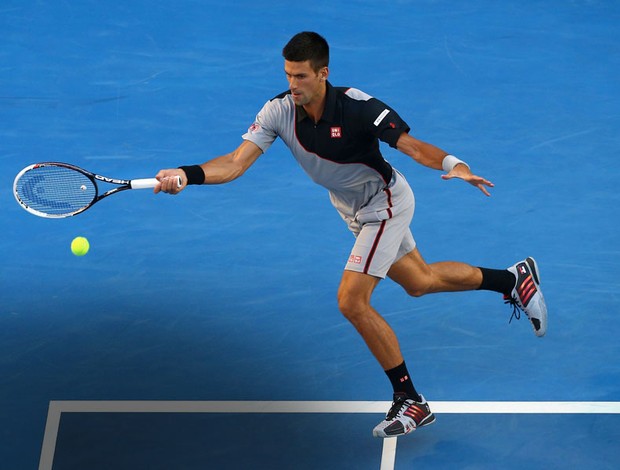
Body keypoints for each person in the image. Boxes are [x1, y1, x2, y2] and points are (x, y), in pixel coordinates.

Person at [155, 31, 547, 438]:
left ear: (323, 73)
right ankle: (512, 278)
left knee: (351, 300)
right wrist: (188, 174)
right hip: (350, 207)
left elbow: (410, 146)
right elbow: (236, 163)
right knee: (420, 281)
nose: (293, 85)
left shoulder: (357, 107)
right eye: (288, 75)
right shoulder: (278, 111)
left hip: (385, 202)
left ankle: (409, 400)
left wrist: (456, 163)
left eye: (301, 76)